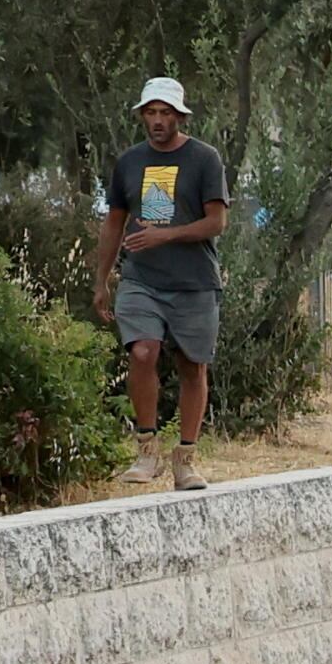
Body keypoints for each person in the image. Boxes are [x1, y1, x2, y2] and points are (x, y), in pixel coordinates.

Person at [93, 78, 229, 488]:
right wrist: (102, 280)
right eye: (150, 112)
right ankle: (146, 450)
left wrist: (164, 236)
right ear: (141, 116)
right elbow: (115, 223)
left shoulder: (204, 158)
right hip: (141, 278)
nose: (157, 120)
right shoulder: (130, 162)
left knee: (192, 365)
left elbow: (216, 222)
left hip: (194, 281)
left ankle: (185, 459)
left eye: (165, 113)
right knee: (142, 351)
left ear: (180, 117)